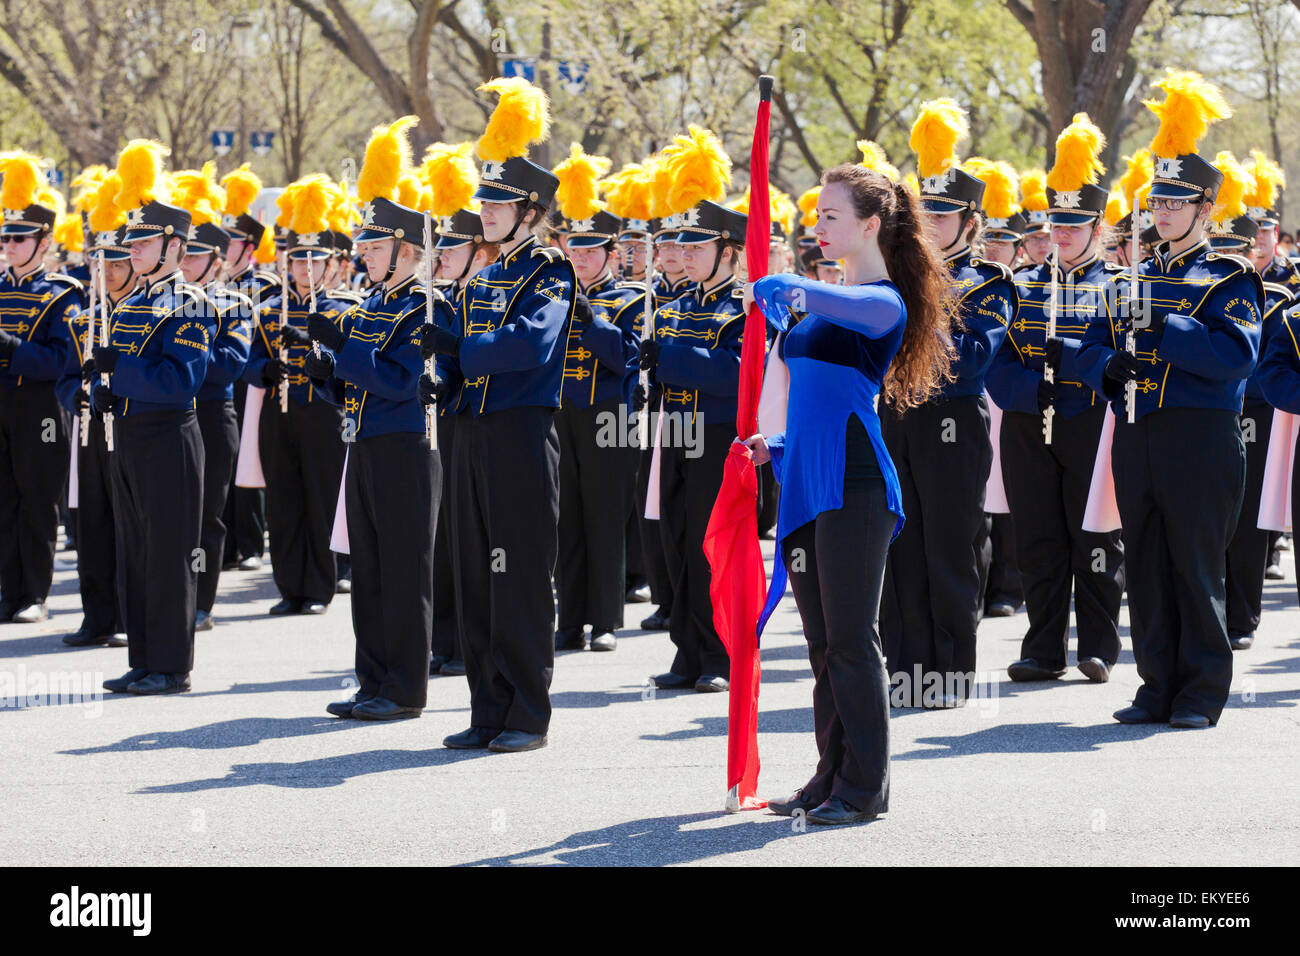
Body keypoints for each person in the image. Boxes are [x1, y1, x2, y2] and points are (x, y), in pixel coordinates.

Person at [743, 162, 956, 825]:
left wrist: (792, 286)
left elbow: (855, 309)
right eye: (816, 216)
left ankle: (866, 789)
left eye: (830, 216)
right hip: (806, 480)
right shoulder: (826, 294)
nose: (818, 225)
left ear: (869, 225)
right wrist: (772, 447)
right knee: (821, 643)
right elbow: (812, 401)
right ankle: (830, 775)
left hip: (856, 485)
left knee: (852, 639)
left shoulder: (880, 301)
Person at [1076, 72, 1262, 729]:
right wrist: (1107, 362)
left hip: (1201, 436)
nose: (1163, 213)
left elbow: (1235, 358)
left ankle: (1202, 690)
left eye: (1178, 203)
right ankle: (1155, 685)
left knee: (1195, 562)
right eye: (1158, 201)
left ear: (1207, 209)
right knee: (1147, 565)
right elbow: (1087, 346)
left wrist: (1166, 326)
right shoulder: (1134, 274)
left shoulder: (1230, 277)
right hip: (1137, 430)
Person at [426, 79, 575, 752]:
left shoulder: (550, 272)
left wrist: (463, 349)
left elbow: (528, 346)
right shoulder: (481, 278)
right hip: (471, 435)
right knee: (474, 574)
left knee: (516, 577)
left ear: (532, 210)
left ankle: (525, 715)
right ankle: (486, 709)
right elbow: (458, 359)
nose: (485, 211)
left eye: (500, 201)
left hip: (520, 436)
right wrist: (443, 364)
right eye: (483, 199)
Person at [879, 99, 1015, 708]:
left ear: (970, 221)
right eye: (922, 212)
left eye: (944, 214)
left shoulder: (989, 281)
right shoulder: (887, 277)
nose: (930, 223)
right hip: (894, 415)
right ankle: (906, 669)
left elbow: (971, 358)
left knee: (951, 544)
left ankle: (951, 672)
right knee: (900, 544)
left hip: (952, 417)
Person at [986, 114, 1125, 684]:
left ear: (1098, 227)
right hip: (1027, 420)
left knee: (1094, 536)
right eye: (1054, 222)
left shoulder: (1119, 287)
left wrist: (1071, 363)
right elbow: (995, 362)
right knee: (1038, 537)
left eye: (1074, 223)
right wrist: (1027, 387)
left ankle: (1098, 646)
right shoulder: (1018, 286)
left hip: (1089, 422)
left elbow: (1121, 362)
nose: (1061, 233)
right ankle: (1043, 647)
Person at [313, 117, 439, 721]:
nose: (362, 252)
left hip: (405, 447)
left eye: (374, 244)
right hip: (362, 442)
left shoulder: (421, 305)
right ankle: (372, 679)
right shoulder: (373, 303)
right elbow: (358, 388)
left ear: (406, 252)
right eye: (363, 244)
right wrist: (325, 371)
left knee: (402, 569)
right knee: (367, 567)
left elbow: (399, 381)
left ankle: (404, 688)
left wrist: (348, 352)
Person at [96, 140, 216, 695]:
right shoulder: (128, 304)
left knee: (169, 552)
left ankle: (171, 665)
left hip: (169, 437)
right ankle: (143, 658)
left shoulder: (191, 303)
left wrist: (117, 372)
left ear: (173, 246)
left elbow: (179, 381)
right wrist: (105, 392)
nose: (132, 251)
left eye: (142, 242)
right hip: (129, 433)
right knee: (135, 549)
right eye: (131, 242)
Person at [643, 190, 748, 693]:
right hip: (677, 430)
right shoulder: (674, 305)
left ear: (728, 251)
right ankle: (687, 650)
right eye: (682, 248)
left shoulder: (745, 308)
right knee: (678, 543)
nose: (685, 256)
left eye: (696, 248)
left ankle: (720, 655)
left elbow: (733, 374)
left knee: (714, 547)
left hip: (718, 436)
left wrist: (666, 358)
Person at [243, 178, 349, 618]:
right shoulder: (267, 308)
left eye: (314, 258)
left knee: (320, 497)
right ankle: (289, 587)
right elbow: (246, 363)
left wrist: (311, 339)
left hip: (323, 415)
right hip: (279, 413)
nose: (305, 266)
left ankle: (320, 586)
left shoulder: (344, 309)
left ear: (330, 264)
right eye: (298, 258)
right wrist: (265, 370)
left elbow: (350, 360)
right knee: (284, 502)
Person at [1208, 162, 1295, 650]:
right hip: (1217, 404)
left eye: (1264, 229)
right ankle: (1211, 608)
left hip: (1261, 407)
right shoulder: (1220, 278)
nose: (1258, 239)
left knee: (1248, 514)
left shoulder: (1286, 288)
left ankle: (1242, 615)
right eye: (1250, 231)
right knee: (1212, 511)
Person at [551, 196, 643, 654]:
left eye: (591, 251)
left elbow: (627, 357)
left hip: (611, 415)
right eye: (575, 250)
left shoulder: (631, 299)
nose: (581, 258)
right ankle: (569, 619)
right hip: (559, 413)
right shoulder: (554, 295)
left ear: (611, 253)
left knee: (605, 517)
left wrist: (590, 321)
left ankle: (605, 618)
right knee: (564, 517)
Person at [172, 165, 253, 632]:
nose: (186, 264)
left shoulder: (234, 304)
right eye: (185, 254)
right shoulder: (164, 300)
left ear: (217, 261)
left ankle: (201, 602)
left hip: (210, 414)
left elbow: (228, 364)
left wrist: (182, 358)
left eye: (197, 257)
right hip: (168, 416)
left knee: (206, 515)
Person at [0, 152, 80, 624]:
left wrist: (10, 348)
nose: (8, 245)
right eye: (4, 237)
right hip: (2, 404)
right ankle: (9, 590)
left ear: (44, 241)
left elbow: (60, 360)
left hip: (41, 408)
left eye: (18, 237)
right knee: (3, 500)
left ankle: (34, 594)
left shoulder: (62, 293)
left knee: (36, 500)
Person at [58, 189, 135, 647]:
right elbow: (65, 378)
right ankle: (97, 616)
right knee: (91, 522)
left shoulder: (142, 315)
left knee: (129, 524)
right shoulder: (82, 320)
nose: (107, 274)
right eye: (100, 266)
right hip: (89, 431)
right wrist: (76, 398)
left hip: (129, 429)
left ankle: (128, 616)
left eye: (118, 265)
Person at [423, 206, 494, 676]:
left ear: (480, 251)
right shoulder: (441, 298)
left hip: (485, 424)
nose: (443, 255)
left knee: (477, 540)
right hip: (443, 422)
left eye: (454, 247)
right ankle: (445, 640)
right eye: (441, 247)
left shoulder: (486, 297)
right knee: (443, 534)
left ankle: (471, 643)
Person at [219, 164, 276, 572]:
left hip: (253, 379)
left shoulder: (266, 286)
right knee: (225, 460)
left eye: (232, 242)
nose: (223, 249)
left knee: (250, 455)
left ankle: (252, 542)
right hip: (224, 377)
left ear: (250, 247)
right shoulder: (211, 286)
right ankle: (227, 543)